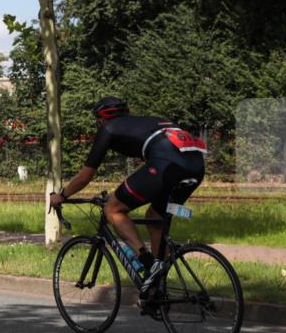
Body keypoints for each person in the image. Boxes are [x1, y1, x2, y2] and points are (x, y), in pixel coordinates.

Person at [49, 97, 205, 307]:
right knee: (155, 216)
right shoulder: (151, 121)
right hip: (195, 167)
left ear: (101, 119)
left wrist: (62, 195)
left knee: (113, 208)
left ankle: (147, 261)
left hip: (166, 165)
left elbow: (86, 175)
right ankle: (156, 285)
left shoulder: (109, 129)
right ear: (127, 112)